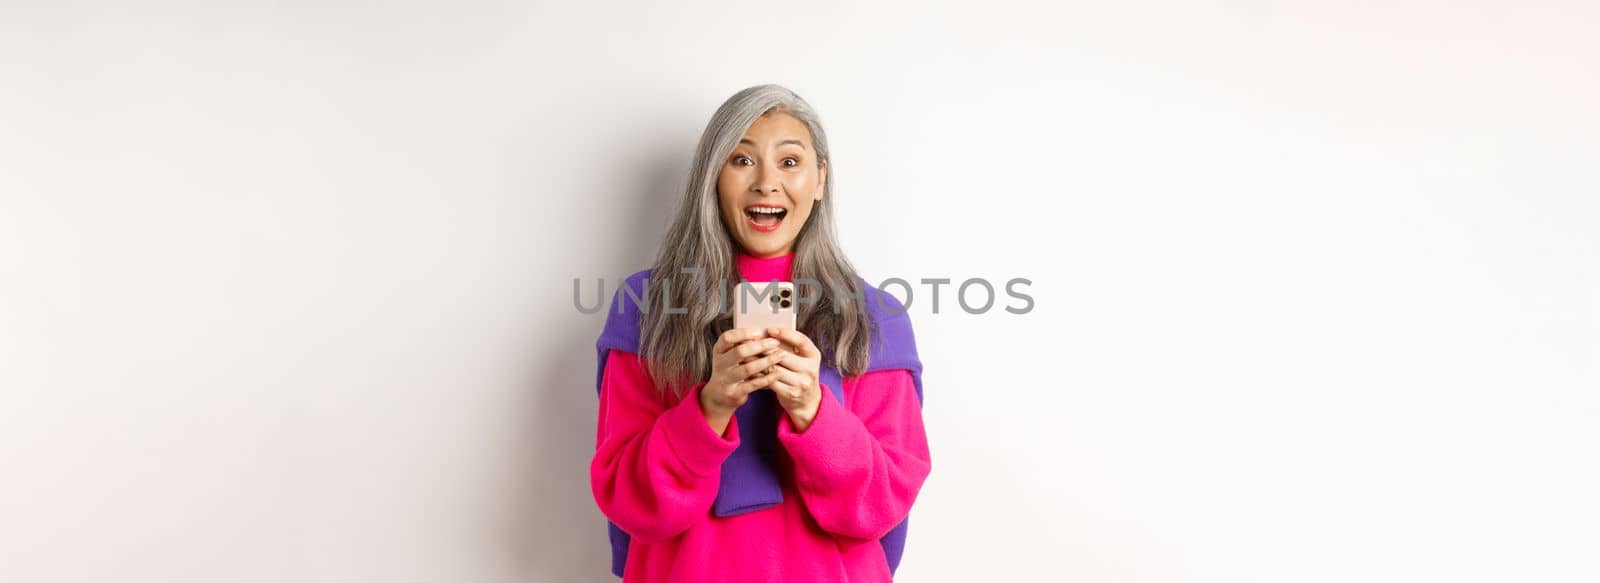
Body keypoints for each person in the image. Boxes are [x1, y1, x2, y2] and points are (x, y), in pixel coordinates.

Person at [589, 84, 931, 582]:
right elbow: (627, 501)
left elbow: (884, 506)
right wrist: (710, 406)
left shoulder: (876, 317)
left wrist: (813, 411)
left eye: (790, 162)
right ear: (712, 179)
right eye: (741, 160)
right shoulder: (645, 306)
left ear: (820, 179)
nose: (767, 183)